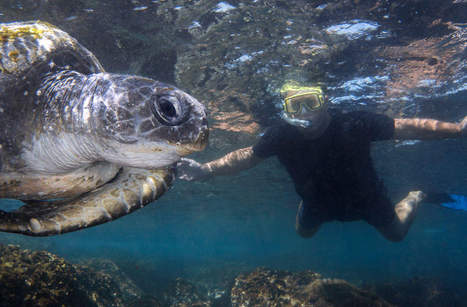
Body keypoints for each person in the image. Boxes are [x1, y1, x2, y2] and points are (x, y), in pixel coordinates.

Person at [177, 82, 467, 242]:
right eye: (296, 105)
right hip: (318, 203)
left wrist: (456, 130)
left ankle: (417, 195)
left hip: (367, 199)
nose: (306, 112)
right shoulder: (281, 136)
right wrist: (206, 170)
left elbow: (409, 126)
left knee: (397, 236)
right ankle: (307, 203)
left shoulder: (354, 123)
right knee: (302, 234)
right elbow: (246, 158)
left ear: (325, 101)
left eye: (311, 102)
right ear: (287, 110)